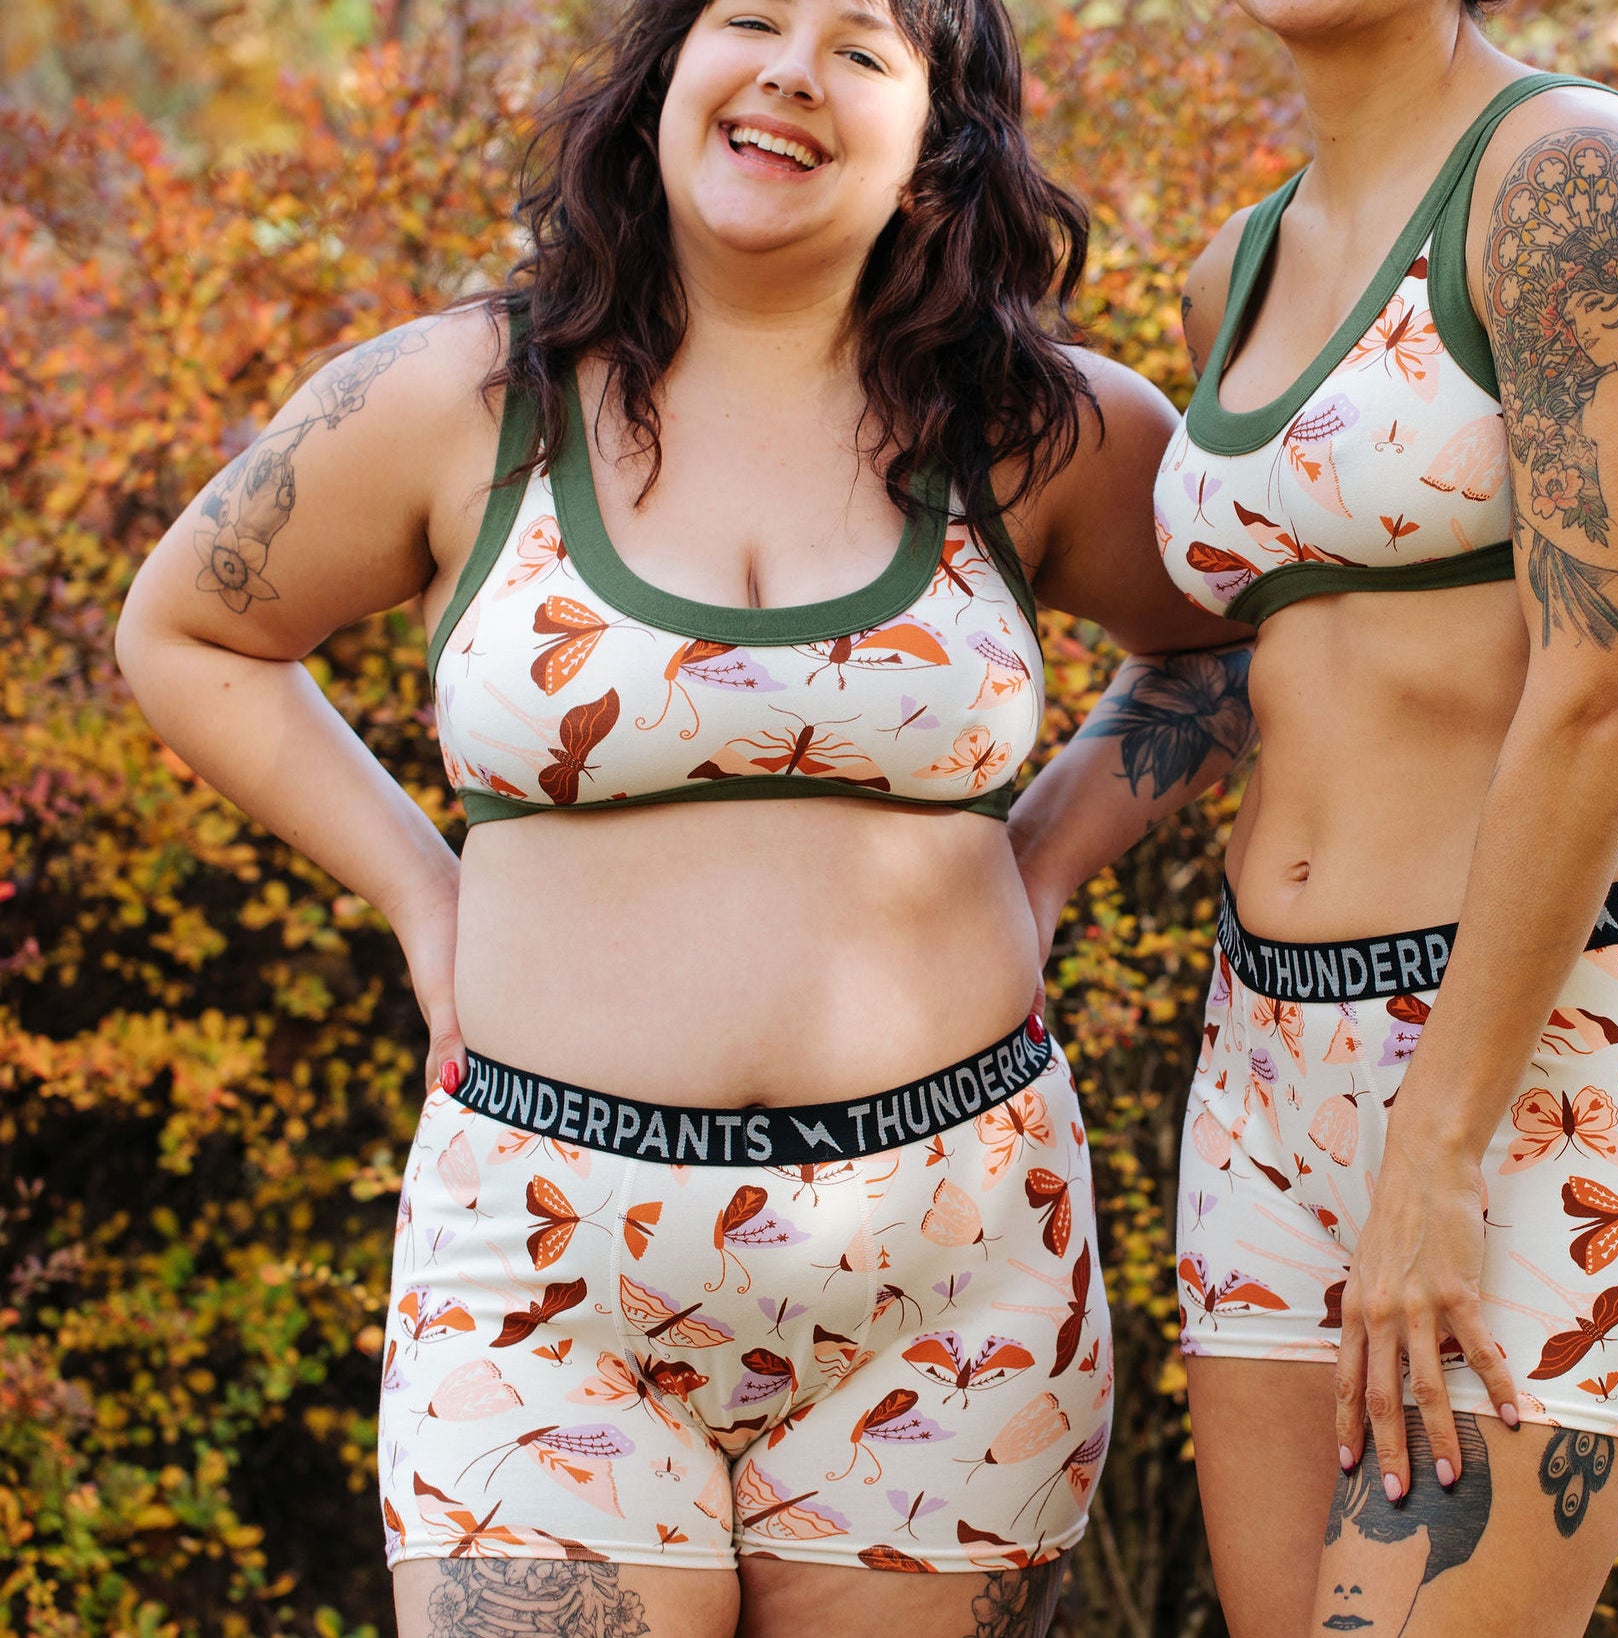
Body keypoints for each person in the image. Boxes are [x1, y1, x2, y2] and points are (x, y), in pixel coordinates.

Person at [112, 0, 1252, 1630]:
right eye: (752, 18)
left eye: (863, 48)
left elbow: (1224, 636)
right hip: (543, 1276)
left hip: (955, 1274)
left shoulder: (1038, 427)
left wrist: (1046, 859)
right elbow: (192, 630)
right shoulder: (462, 397)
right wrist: (422, 898)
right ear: (664, 80)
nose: (793, 66)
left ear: (938, 149)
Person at [1010, 0, 1618, 1632]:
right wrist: (1032, 858)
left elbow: (1610, 682)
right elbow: (1243, 656)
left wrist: (1443, 1139)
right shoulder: (1238, 268)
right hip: (1263, 1069)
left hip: (1528, 1076)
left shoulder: (1562, 175)